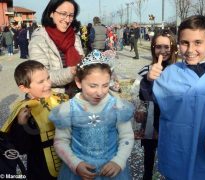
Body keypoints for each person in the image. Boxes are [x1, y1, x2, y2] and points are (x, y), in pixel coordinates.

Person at [148, 15, 205, 180]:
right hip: (176, 153)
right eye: (185, 43)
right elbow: (149, 98)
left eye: (198, 42)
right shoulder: (169, 73)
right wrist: (149, 81)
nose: (190, 50)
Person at [49, 49, 134, 180]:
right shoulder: (68, 110)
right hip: (79, 173)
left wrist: (119, 161)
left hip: (111, 172)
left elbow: (126, 136)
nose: (99, 92)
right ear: (78, 82)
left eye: (105, 85)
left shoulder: (117, 106)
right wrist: (75, 164)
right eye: (93, 86)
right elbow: (61, 141)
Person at [1, 60, 69, 179]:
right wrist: (22, 125)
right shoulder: (24, 112)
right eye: (41, 82)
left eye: (48, 78)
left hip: (67, 162)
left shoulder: (60, 99)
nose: (48, 84)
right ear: (24, 88)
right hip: (41, 169)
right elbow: (21, 148)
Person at [134, 29, 178, 180]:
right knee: (149, 155)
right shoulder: (146, 70)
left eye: (167, 47)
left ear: (173, 48)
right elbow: (142, 98)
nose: (163, 51)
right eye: (158, 46)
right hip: (151, 120)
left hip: (173, 122)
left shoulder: (180, 71)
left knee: (172, 156)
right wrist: (148, 79)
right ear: (153, 48)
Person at [28, 0, 84, 96]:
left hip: (78, 94)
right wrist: (71, 72)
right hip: (54, 97)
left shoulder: (75, 37)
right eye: (63, 14)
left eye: (71, 15)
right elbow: (41, 76)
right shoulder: (39, 40)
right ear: (51, 13)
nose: (67, 20)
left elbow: (82, 61)